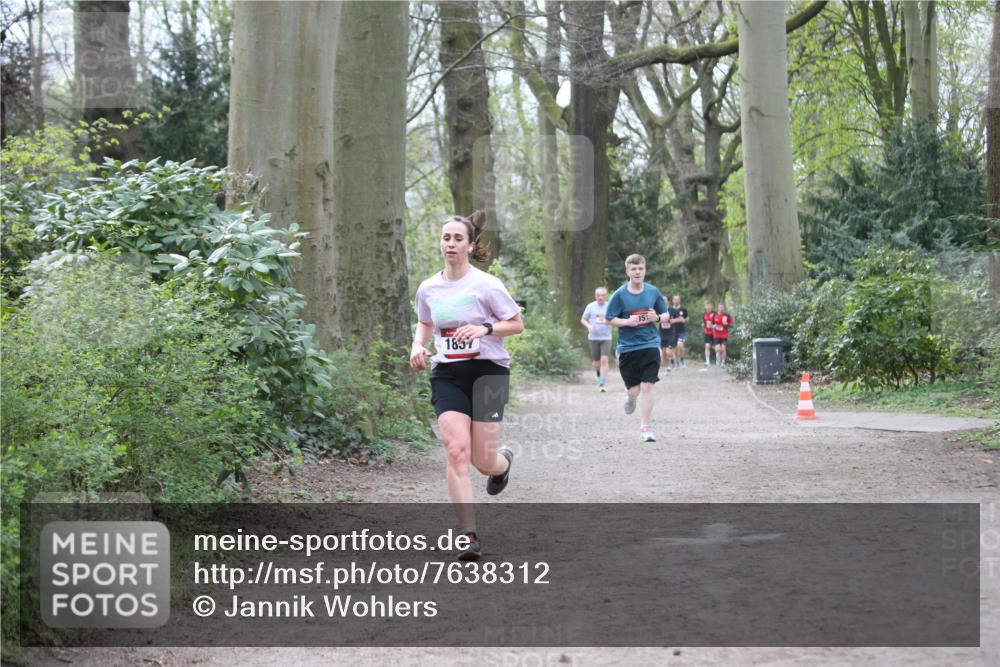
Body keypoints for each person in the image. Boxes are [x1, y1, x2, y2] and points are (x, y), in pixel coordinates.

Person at [410, 211, 525, 561]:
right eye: (446, 238)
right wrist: (417, 345)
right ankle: (467, 535)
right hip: (448, 374)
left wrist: (484, 329)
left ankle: (501, 464)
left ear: (471, 244)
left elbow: (516, 324)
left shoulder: (487, 285)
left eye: (458, 238)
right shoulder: (428, 288)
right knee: (456, 450)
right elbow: (425, 322)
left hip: (489, 371)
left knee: (482, 460)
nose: (451, 244)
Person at [605, 254, 670, 443]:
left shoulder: (652, 292)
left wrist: (656, 318)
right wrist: (626, 321)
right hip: (628, 348)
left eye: (640, 268)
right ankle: (631, 397)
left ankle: (645, 427)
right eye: (633, 269)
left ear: (644, 270)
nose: (637, 272)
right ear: (627, 271)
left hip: (650, 344)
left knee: (649, 386)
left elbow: (666, 315)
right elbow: (609, 319)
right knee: (634, 391)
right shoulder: (619, 295)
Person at [580, 287, 612, 392]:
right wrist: (589, 326)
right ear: (595, 296)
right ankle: (598, 373)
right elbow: (583, 320)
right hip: (593, 337)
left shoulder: (610, 306)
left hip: (606, 337)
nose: (600, 297)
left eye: (602, 295)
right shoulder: (591, 306)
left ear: (605, 296)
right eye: (598, 295)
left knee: (604, 360)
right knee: (596, 363)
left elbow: (615, 320)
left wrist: (610, 323)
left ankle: (602, 383)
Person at [669, 294, 689, 369]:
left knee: (680, 345)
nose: (676, 301)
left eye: (677, 299)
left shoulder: (683, 309)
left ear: (679, 300)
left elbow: (687, 318)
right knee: (674, 348)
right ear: (673, 300)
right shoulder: (670, 310)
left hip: (681, 331)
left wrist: (684, 320)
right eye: (675, 299)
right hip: (673, 331)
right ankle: (676, 362)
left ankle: (682, 360)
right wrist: (677, 320)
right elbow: (670, 321)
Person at [713, 302, 734, 367]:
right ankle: (718, 358)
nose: (721, 308)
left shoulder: (727, 315)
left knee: (723, 349)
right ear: (718, 308)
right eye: (720, 307)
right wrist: (714, 326)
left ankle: (723, 363)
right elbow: (710, 324)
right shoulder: (714, 315)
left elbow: (732, 324)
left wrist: (726, 323)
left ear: (724, 308)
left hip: (724, 335)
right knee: (718, 349)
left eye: (722, 307)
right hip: (716, 335)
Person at [659, 305, 676, 374]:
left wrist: (673, 320)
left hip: (670, 333)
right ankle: (667, 368)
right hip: (662, 333)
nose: (663, 301)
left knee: (668, 352)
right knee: (663, 352)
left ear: (667, 301)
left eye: (665, 300)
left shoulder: (671, 310)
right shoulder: (659, 309)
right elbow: (656, 319)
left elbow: (679, 319)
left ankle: (672, 358)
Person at [701, 300, 716, 369]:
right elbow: (703, 323)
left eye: (709, 305)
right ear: (705, 306)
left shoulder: (715, 314)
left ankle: (719, 360)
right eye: (706, 305)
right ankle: (707, 361)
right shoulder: (704, 314)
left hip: (714, 333)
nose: (708, 307)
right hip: (707, 333)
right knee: (707, 346)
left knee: (715, 347)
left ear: (711, 306)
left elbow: (718, 323)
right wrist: (703, 325)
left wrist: (712, 325)